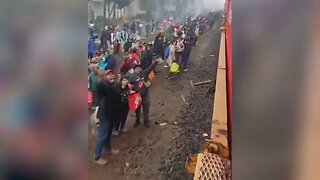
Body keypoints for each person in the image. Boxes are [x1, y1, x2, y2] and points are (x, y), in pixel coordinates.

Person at [93, 69, 119, 165]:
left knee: (108, 133)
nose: (111, 76)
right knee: (102, 135)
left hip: (112, 114)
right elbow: (98, 86)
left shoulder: (114, 85)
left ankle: (108, 149)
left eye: (112, 74)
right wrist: (100, 78)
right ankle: (96, 156)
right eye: (109, 75)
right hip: (105, 115)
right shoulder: (104, 86)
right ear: (105, 77)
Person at [129, 60, 159, 128]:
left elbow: (150, 68)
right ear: (134, 70)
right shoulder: (132, 77)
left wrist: (155, 62)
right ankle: (137, 121)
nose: (138, 69)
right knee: (137, 109)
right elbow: (130, 86)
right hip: (137, 96)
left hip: (145, 94)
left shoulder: (144, 72)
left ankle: (146, 121)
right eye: (136, 68)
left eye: (139, 68)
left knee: (146, 108)